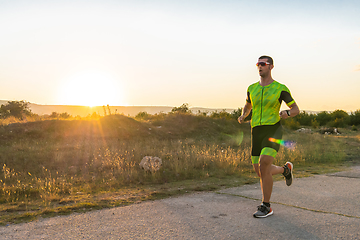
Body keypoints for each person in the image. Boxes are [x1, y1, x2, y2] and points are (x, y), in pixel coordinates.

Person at [238, 55, 299, 218]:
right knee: (260, 171)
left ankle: (266, 206)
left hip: (273, 130)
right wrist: (244, 115)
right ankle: (285, 169)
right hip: (256, 131)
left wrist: (287, 112)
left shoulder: (280, 88)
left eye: (263, 64)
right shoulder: (251, 88)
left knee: (264, 163)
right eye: (258, 64)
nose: (260, 66)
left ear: (271, 67)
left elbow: (295, 109)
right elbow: (248, 104)